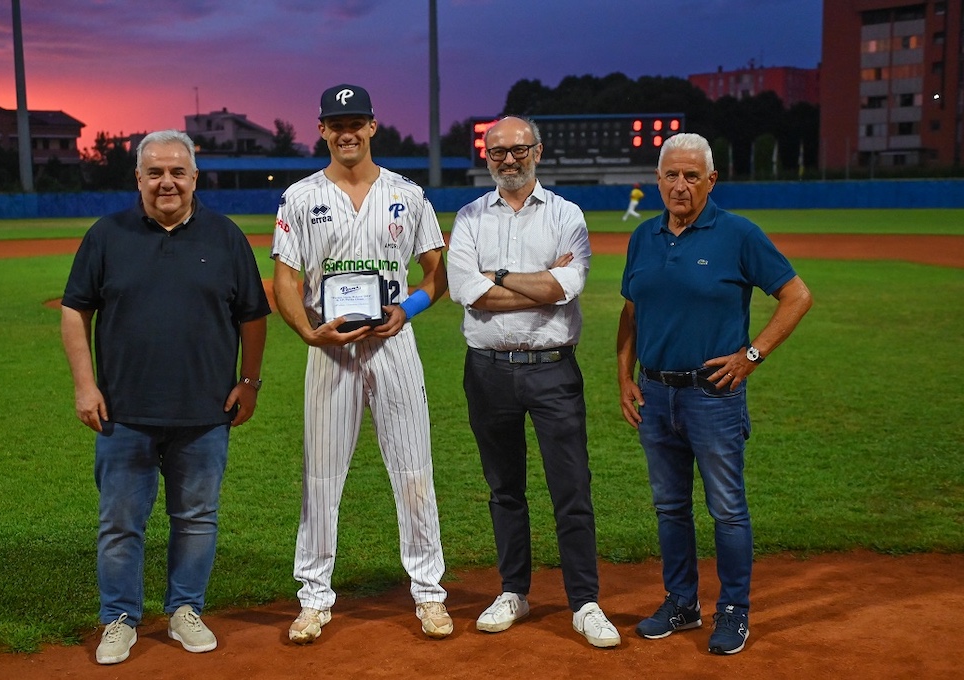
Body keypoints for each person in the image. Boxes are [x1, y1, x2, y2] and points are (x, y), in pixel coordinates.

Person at [61, 129, 271, 665]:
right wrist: (85, 386)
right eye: (154, 172)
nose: (167, 181)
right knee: (120, 522)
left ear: (195, 177)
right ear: (138, 178)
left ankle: (185, 609)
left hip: (205, 411)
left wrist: (249, 382)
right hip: (123, 411)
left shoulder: (225, 237)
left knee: (197, 516)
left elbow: (252, 316)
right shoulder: (106, 235)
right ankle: (119, 619)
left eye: (178, 171)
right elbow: (75, 309)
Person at [616, 132, 812, 655]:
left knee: (726, 507)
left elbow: (797, 296)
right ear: (658, 179)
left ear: (711, 180)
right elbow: (631, 309)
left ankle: (733, 610)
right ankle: (681, 603)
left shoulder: (739, 234)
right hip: (656, 395)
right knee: (670, 507)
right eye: (671, 175)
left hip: (713, 396)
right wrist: (623, 375)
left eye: (691, 176)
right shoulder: (645, 237)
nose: (680, 186)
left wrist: (752, 355)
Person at [270, 84, 452, 644]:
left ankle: (429, 594)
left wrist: (409, 309)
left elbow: (436, 273)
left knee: (413, 470)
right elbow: (287, 279)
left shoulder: (407, 193)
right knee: (321, 477)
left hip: (393, 344)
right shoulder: (300, 197)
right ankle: (314, 597)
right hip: (331, 348)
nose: (346, 131)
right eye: (334, 123)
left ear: (373, 125)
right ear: (321, 129)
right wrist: (308, 332)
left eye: (355, 121)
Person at [447, 115, 621, 649]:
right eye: (497, 152)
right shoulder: (470, 216)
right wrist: (537, 285)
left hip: (552, 370)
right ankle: (513, 591)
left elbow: (567, 286)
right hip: (488, 371)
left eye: (518, 149)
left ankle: (585, 601)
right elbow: (465, 290)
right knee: (505, 490)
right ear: (487, 158)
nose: (508, 160)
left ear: (537, 151)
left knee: (572, 489)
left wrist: (496, 276)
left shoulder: (567, 214)